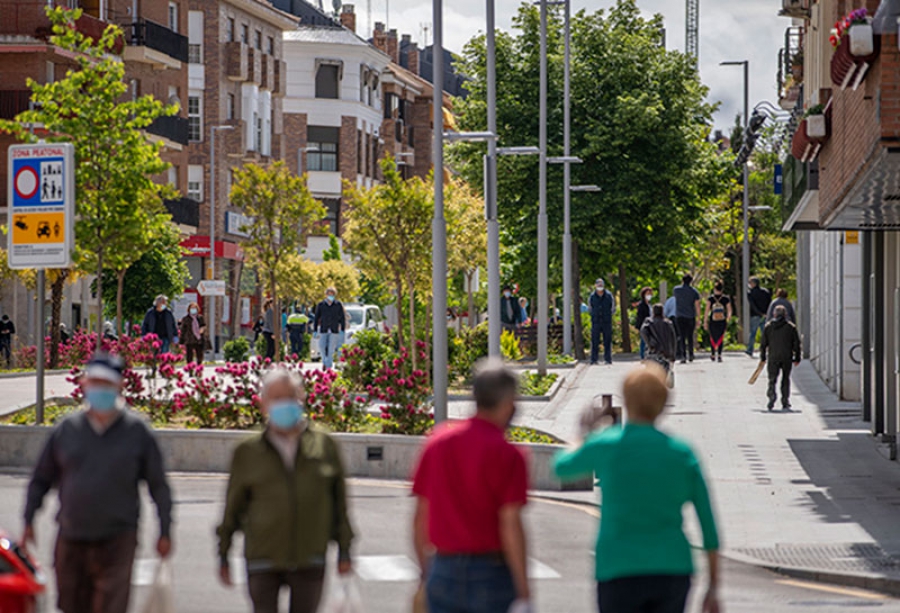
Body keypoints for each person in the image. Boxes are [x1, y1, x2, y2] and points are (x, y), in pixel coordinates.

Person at [553, 365, 720, 613]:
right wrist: (713, 586)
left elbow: (561, 467)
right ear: (663, 404)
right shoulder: (682, 453)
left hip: (618, 567)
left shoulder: (607, 445)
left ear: (627, 401)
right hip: (671, 568)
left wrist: (584, 434)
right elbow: (709, 526)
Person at [23, 353, 173, 613]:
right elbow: (41, 479)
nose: (98, 390)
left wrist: (165, 530)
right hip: (72, 538)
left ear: (119, 386)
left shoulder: (136, 432)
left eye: (105, 385)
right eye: (93, 383)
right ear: (84, 384)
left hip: (118, 540)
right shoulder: (67, 429)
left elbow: (158, 485)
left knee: (110, 607)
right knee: (71, 605)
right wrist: (28, 519)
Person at [217, 369, 353, 613]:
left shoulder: (324, 446)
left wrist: (345, 550)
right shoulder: (247, 452)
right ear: (263, 405)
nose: (284, 404)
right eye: (276, 399)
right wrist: (223, 554)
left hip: (309, 557)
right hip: (263, 558)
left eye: (290, 397)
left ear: (301, 398)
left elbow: (339, 503)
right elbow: (233, 507)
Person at [412, 359, 531, 613]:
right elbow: (510, 524)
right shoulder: (509, 454)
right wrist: (524, 591)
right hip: (491, 572)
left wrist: (426, 573)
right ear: (508, 402)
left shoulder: (437, 443)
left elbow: (420, 517)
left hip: (442, 568)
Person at [760, 305, 802, 411]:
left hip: (773, 356)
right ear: (785, 315)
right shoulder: (791, 327)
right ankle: (785, 401)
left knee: (772, 379)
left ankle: (771, 398)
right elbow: (796, 344)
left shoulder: (768, 327)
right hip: (786, 357)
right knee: (785, 379)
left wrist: (763, 357)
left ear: (774, 314)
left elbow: (764, 344)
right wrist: (797, 358)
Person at [314, 287, 346, 370]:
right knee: (321, 346)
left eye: (332, 294)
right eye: (329, 294)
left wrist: (342, 329)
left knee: (331, 348)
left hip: (334, 329)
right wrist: (315, 330)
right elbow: (316, 317)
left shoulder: (338, 304)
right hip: (324, 328)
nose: (330, 296)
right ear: (326, 294)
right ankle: (325, 360)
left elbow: (342, 317)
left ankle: (328, 366)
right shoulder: (321, 305)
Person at [673, 274, 701, 364]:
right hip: (690, 316)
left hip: (679, 316)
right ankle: (691, 355)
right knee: (690, 336)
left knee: (681, 336)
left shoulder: (676, 290)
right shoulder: (694, 292)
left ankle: (683, 356)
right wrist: (698, 318)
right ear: (691, 281)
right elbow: (697, 306)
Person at [640, 304, 677, 372]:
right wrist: (673, 355)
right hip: (666, 353)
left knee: (651, 373)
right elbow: (673, 340)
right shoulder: (668, 323)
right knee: (664, 373)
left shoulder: (649, 322)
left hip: (653, 351)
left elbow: (643, 332)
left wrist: (649, 343)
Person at [703, 282, 732, 363]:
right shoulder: (726, 299)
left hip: (713, 320)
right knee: (720, 337)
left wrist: (705, 321)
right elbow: (729, 310)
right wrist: (728, 318)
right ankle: (719, 354)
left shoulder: (711, 299)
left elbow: (707, 310)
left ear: (714, 289)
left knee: (713, 337)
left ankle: (712, 354)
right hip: (722, 321)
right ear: (722, 289)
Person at [590, 279, 616, 365]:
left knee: (607, 340)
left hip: (606, 321)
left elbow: (612, 308)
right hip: (596, 321)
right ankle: (594, 359)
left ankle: (608, 359)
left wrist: (608, 315)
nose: (600, 286)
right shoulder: (592, 296)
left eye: (601, 284)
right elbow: (590, 308)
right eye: (598, 284)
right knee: (594, 341)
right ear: (595, 285)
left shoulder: (609, 295)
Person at [747, 277, 772, 357]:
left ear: (754, 284)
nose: (749, 285)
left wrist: (759, 313)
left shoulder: (750, 293)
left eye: (750, 283)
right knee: (765, 334)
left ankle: (750, 350)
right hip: (765, 315)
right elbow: (770, 303)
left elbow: (752, 305)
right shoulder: (765, 292)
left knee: (752, 333)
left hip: (755, 315)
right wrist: (766, 313)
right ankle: (766, 350)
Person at [636, 287, 653, 359]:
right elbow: (640, 316)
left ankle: (647, 356)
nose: (649, 295)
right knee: (643, 341)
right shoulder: (641, 305)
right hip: (644, 325)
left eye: (650, 294)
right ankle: (642, 356)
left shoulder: (649, 305)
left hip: (650, 325)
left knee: (648, 342)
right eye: (648, 293)